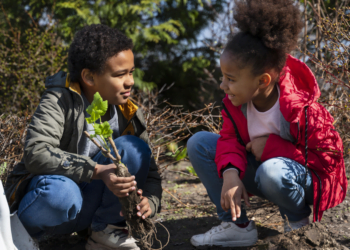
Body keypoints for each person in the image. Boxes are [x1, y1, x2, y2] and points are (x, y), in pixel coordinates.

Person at [187, 0, 347, 247]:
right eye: (223, 77)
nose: (222, 85)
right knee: (200, 143)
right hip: (265, 173)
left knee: (271, 170)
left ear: (262, 80)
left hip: (300, 183)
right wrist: (230, 173)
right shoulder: (235, 104)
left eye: (230, 79)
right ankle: (237, 226)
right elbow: (229, 140)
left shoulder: (303, 108)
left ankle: (297, 226)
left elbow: (329, 163)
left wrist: (272, 148)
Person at [4, 24, 162, 250]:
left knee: (134, 148)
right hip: (52, 203)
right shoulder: (59, 100)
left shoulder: (128, 112)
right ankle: (21, 237)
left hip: (87, 208)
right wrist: (97, 171)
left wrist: (151, 202)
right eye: (120, 74)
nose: (130, 82)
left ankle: (106, 231)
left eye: (131, 72)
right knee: (62, 193)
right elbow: (36, 153)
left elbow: (153, 175)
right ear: (89, 76)